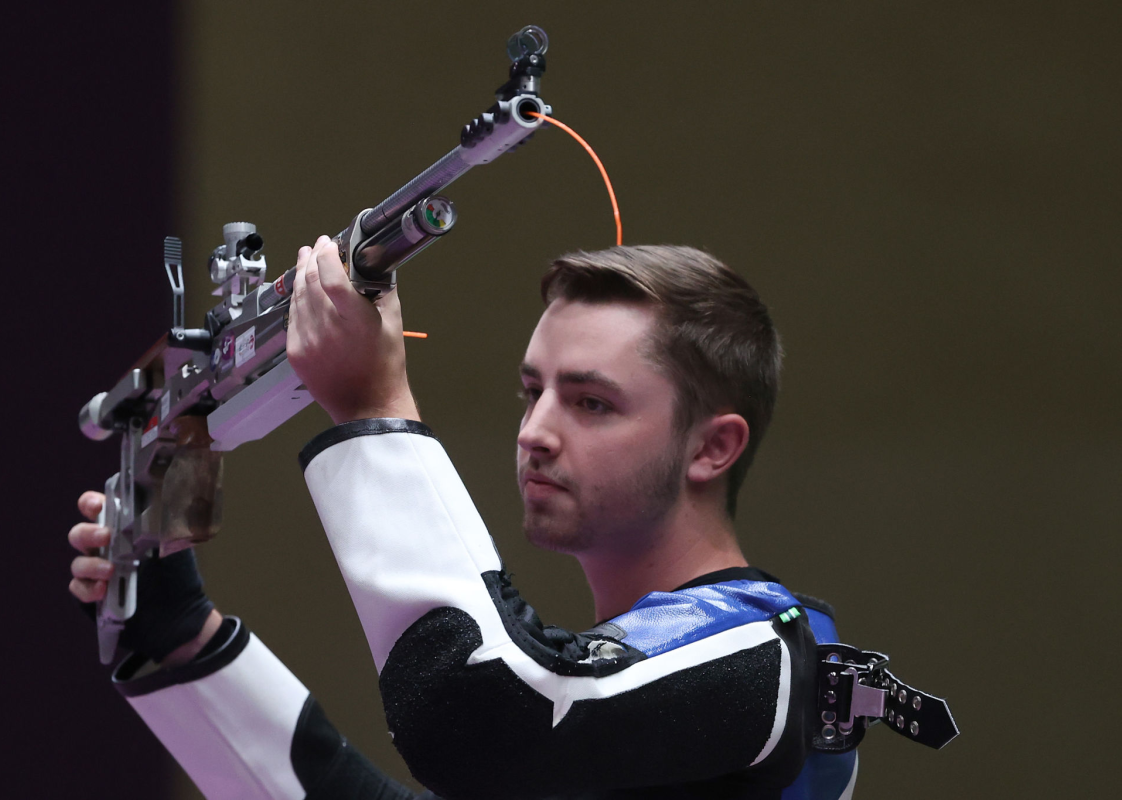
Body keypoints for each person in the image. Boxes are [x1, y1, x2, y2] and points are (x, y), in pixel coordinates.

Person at [68, 240, 859, 799]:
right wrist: (176, 629)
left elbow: (480, 721)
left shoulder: (770, 657)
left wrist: (373, 410)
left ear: (712, 448)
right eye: (532, 391)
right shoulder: (614, 705)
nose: (535, 430)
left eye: (590, 402)